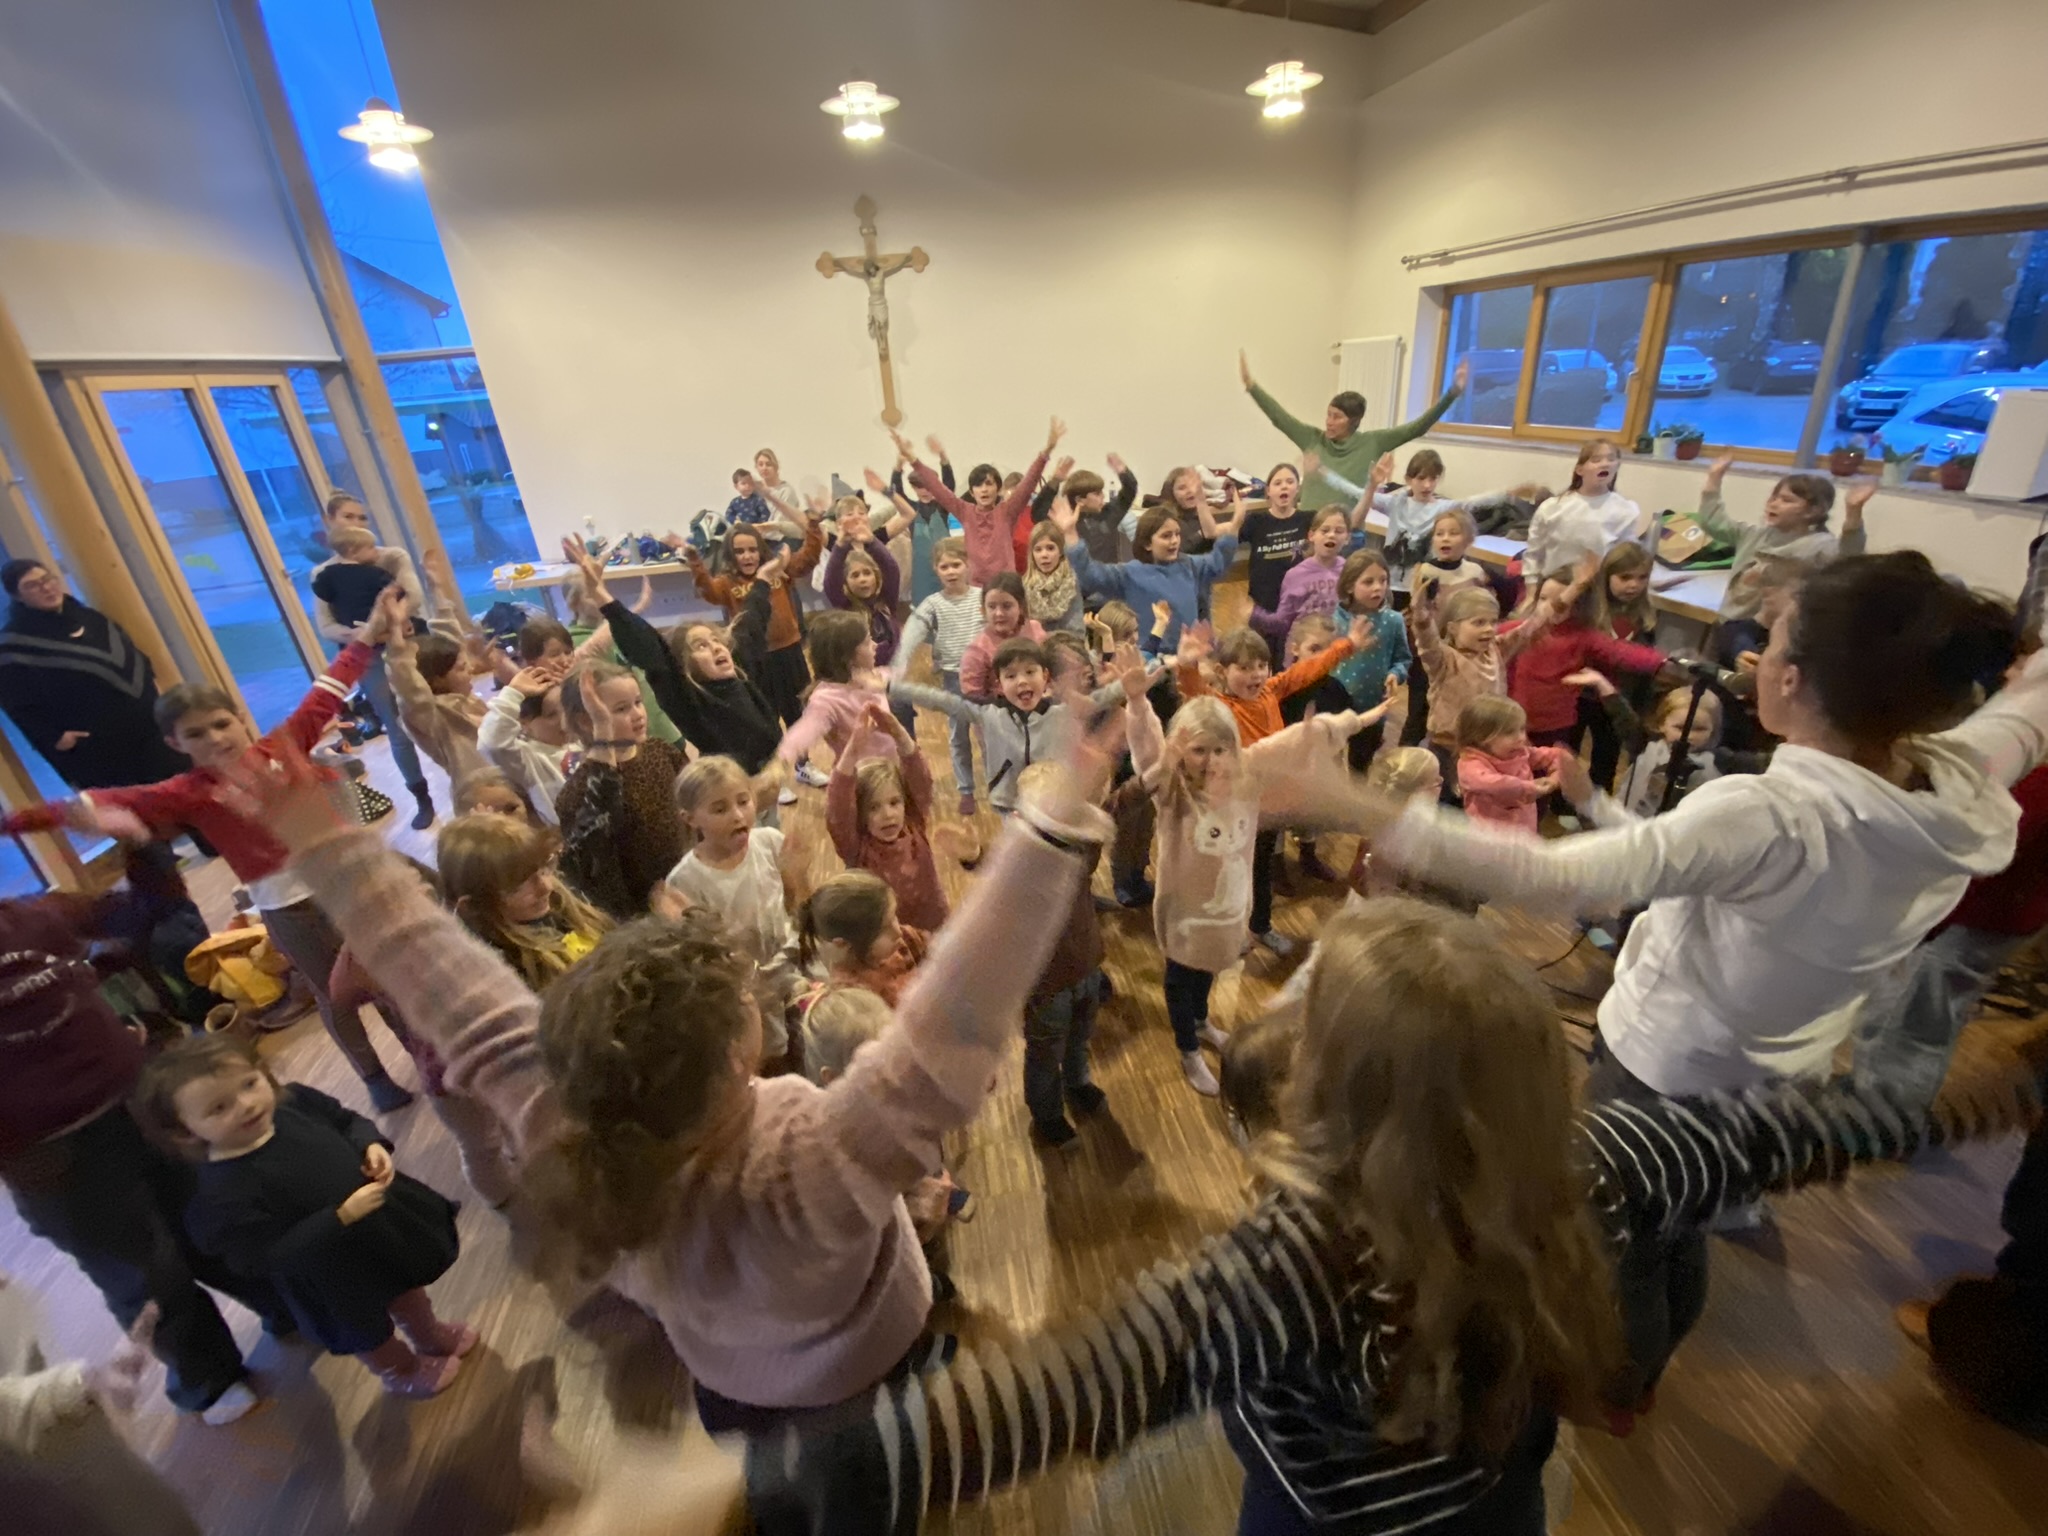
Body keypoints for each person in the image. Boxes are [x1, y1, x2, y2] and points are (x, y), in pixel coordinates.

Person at [736, 899, 2023, 1536]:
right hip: (1492, 1495)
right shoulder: (1616, 1149)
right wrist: (1993, 1095)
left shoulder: (1298, 1259)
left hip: (1320, 1517)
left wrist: (743, 1483)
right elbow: (1814, 1126)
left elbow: (1060, 1395)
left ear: (1342, 1091)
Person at [215, 719, 1117, 1519]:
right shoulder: (806, 1147)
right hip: (866, 1378)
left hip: (733, 1393)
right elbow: (953, 1023)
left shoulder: (572, 1132)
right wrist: (1049, 836)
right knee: (876, 1488)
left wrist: (331, 852)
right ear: (737, 1052)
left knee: (782, 1491)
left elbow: (453, 989)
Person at [1366, 550, 2045, 1399]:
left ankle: (1613, 1384)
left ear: (1793, 682)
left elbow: (1559, 878)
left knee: (1620, 1241)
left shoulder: (1769, 811)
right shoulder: (1958, 782)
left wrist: (1348, 803)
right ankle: (1638, 1369)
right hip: (1774, 1075)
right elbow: (2029, 712)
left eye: (1777, 638)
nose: (1756, 655)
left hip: (1663, 1069)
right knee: (1684, 1222)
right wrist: (1597, 802)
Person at [0, 622, 416, 1113]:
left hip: (346, 886)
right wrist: (16, 823)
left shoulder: (285, 745)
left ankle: (420, 1051)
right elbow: (80, 806)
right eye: (196, 734)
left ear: (241, 718)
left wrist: (366, 637)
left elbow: (330, 687)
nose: (215, 737)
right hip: (285, 906)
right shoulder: (186, 793)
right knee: (333, 993)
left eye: (221, 723)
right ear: (176, 744)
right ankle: (374, 1077)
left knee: (382, 973)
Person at [0, 841, 289, 1426]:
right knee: (147, 1273)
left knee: (215, 1217)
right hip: (54, 1160)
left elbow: (136, 911)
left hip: (142, 1105)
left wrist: (143, 845)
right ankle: (207, 1378)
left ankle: (285, 1304)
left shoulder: (26, 918)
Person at [131, 1035, 473, 1399]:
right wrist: (338, 1217)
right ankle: (401, 1370)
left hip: (376, 1236)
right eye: (218, 1108)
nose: (246, 1105)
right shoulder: (218, 1197)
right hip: (327, 1279)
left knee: (408, 1292)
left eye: (249, 1084)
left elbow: (345, 1121)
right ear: (185, 1131)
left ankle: (429, 1335)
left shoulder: (294, 1102)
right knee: (368, 1332)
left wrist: (370, 1144)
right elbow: (259, 1258)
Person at [1116, 643, 1357, 1095]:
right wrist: (1136, 703)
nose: (1210, 761)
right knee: (1181, 976)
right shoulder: (1171, 792)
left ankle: (1203, 1022)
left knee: (1207, 971)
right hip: (1184, 912)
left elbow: (1285, 744)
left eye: (1220, 750)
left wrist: (1344, 725)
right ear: (1180, 752)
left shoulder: (1246, 782)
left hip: (1225, 912)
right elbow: (1147, 754)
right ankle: (1187, 1045)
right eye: (1198, 751)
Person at [1175, 617, 1375, 956]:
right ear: (1223, 671)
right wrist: (1187, 662)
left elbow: (1307, 669)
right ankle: (1231, 927)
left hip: (1268, 804)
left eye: (1261, 665)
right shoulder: (1219, 705)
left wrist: (1348, 645)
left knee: (1261, 866)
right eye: (1244, 667)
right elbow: (1192, 687)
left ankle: (1260, 925)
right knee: (1231, 872)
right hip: (1235, 806)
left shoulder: (1272, 689)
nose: (1256, 674)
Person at [558, 540, 785, 809]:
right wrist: (603, 599)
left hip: (770, 782)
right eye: (700, 646)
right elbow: (653, 652)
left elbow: (752, 619)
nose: (715, 647)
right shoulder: (689, 697)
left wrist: (762, 579)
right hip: (732, 798)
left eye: (715, 640)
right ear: (686, 665)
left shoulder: (738, 669)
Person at [0, 558, 191, 792]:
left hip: (151, 731)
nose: (46, 588)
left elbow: (132, 658)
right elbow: (19, 703)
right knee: (137, 817)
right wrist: (56, 738)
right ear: (17, 596)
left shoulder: (91, 618)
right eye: (32, 585)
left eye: (48, 579)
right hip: (100, 750)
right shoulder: (14, 646)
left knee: (186, 796)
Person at [890, 636, 1136, 817]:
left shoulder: (1060, 711)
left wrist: (1142, 675)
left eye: (1030, 672)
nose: (1022, 681)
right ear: (999, 683)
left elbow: (1104, 697)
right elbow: (940, 700)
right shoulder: (989, 712)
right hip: (1008, 802)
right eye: (1011, 676)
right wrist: (893, 687)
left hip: (1051, 801)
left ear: (1045, 677)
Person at [665, 756, 807, 1064]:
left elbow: (790, 900)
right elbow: (702, 948)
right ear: (690, 819)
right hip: (747, 986)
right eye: (720, 809)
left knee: (806, 1036)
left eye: (744, 801)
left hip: (788, 965)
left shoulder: (769, 841)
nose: (738, 815)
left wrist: (797, 877)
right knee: (769, 1055)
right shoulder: (685, 879)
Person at [305, 494, 435, 821]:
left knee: (441, 708)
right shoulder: (323, 574)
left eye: (363, 518)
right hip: (369, 654)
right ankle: (421, 797)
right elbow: (327, 626)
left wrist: (392, 624)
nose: (358, 524)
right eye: (349, 517)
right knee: (396, 725)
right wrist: (367, 635)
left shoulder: (390, 556)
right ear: (331, 522)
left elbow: (414, 597)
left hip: (410, 641)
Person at [1693, 455, 1873, 664]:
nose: (1774, 504)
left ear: (1814, 511)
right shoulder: (1754, 534)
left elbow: (1849, 559)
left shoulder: (1818, 544)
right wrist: (1714, 479)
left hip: (1770, 634)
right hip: (1728, 622)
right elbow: (1713, 522)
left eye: (1787, 500)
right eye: (1774, 497)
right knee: (1712, 680)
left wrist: (1853, 514)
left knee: (1751, 676)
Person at [1239, 348, 1467, 511]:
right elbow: (1280, 417)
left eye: (1336, 417)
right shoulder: (1312, 438)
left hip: (1347, 528)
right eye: (1328, 414)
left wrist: (1452, 393)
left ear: (1354, 421)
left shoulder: (1372, 443)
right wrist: (1252, 387)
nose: (1328, 421)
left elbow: (1417, 428)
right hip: (1309, 524)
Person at [1015, 757, 1108, 1148]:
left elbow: (1103, 823)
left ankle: (1078, 1082)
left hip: (1087, 969)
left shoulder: (1079, 854)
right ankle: (1048, 1115)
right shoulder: (1022, 864)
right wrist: (972, 856)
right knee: (1043, 1055)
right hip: (1048, 986)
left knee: (1079, 1039)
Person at [553, 660, 690, 919]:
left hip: (685, 884)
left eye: (638, 702)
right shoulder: (579, 791)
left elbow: (694, 805)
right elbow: (594, 868)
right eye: (621, 709)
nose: (638, 714)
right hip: (638, 912)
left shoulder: (660, 751)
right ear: (586, 720)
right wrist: (603, 729)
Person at [683, 515, 824, 746]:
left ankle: (802, 763)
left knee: (797, 708)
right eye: (739, 551)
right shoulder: (727, 583)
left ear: (761, 550)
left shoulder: (778, 569)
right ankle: (774, 762)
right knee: (765, 712)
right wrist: (694, 562)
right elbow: (707, 590)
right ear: (731, 555)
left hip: (789, 652)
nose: (747, 556)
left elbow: (807, 559)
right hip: (755, 658)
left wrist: (813, 527)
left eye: (752, 549)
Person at [1325, 447, 1523, 605]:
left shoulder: (1443, 508)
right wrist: (1324, 473)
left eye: (1433, 478)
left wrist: (1507, 493)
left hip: (1421, 587)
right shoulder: (1395, 503)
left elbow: (1472, 502)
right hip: (1391, 585)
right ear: (1409, 479)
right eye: (1421, 478)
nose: (1427, 485)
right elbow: (1355, 492)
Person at [1410, 579, 1567, 777]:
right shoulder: (1444, 659)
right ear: (1452, 628)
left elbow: (1530, 629)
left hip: (1487, 748)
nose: (1489, 629)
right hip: (1448, 749)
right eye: (1478, 622)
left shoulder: (1496, 650)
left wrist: (1570, 592)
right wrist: (1422, 616)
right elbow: (1427, 642)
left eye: (1493, 622)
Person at [439, 812, 610, 992]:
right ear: (473, 906)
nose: (546, 887)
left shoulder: (564, 900)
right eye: (517, 887)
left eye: (544, 869)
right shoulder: (510, 977)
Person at [1057, 492, 1242, 658]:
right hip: (1151, 657)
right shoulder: (1130, 573)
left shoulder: (1190, 565)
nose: (1174, 541)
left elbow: (1217, 562)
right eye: (1166, 536)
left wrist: (1233, 529)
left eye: (1177, 534)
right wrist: (1071, 536)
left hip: (1190, 654)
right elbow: (1090, 574)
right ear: (1147, 543)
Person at [1507, 562, 1668, 752]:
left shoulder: (1584, 636)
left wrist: (1665, 662)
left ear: (1579, 605)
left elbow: (1621, 652)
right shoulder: (1524, 630)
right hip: (1513, 719)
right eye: (1543, 598)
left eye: (1563, 601)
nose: (1549, 606)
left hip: (1554, 726)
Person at [826, 699, 956, 932]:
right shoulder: (856, 848)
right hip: (886, 940)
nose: (888, 815)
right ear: (860, 814)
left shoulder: (913, 825)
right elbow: (837, 807)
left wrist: (898, 733)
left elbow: (920, 778)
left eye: (894, 803)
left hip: (934, 928)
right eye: (874, 808)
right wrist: (852, 750)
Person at [896, 421, 1058, 586]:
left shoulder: (1007, 510)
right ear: (972, 492)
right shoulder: (965, 511)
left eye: (989, 484)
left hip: (1006, 585)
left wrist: (1047, 451)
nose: (984, 490)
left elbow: (1028, 484)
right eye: (978, 485)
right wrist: (912, 459)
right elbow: (937, 488)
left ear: (998, 489)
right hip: (975, 588)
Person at [891, 536, 985, 816]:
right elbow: (913, 632)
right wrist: (900, 663)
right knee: (958, 736)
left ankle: (998, 781)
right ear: (936, 569)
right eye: (945, 567)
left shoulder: (982, 597)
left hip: (983, 679)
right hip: (953, 678)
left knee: (989, 734)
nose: (951, 571)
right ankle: (966, 790)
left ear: (967, 565)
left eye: (956, 564)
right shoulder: (932, 604)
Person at [775, 610, 898, 780]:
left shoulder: (874, 676)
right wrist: (777, 765)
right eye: (867, 642)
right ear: (848, 656)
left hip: (890, 772)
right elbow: (803, 732)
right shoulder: (827, 698)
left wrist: (883, 684)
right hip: (861, 781)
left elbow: (896, 678)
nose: (875, 645)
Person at [1322, 548, 1411, 770]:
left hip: (1372, 706)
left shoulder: (1393, 620)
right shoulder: (1334, 618)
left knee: (1361, 765)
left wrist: (1395, 674)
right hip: (1335, 704)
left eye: (1383, 580)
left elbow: (1403, 659)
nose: (1378, 587)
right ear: (1350, 586)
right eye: (1368, 582)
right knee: (1330, 761)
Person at [794, 871, 927, 1010]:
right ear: (843, 944)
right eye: (885, 928)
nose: (898, 931)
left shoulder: (901, 940)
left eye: (894, 916)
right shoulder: (854, 1001)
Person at [1522, 439, 1651, 576]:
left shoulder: (1626, 510)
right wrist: (1532, 590)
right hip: (1553, 585)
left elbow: (1625, 559)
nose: (1605, 464)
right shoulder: (1552, 507)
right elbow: (1534, 554)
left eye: (1611, 459)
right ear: (1580, 470)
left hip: (1598, 590)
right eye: (1596, 460)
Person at [1454, 696, 1569, 834]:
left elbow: (1557, 755)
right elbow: (1494, 784)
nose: (1521, 738)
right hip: (1490, 840)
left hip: (1525, 832)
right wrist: (1531, 787)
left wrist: (1554, 779)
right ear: (1481, 737)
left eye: (1522, 729)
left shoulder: (1520, 753)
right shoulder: (1470, 764)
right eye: (1510, 733)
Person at [479, 656, 573, 823]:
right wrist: (513, 693)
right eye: (551, 715)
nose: (564, 720)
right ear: (525, 722)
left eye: (566, 708)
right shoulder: (527, 759)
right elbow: (491, 743)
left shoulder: (582, 739)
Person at [1236, 461, 1311, 649]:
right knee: (1261, 656)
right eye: (1277, 483)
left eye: (1289, 481)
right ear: (1268, 491)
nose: (1284, 486)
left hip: (1298, 605)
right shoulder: (1256, 521)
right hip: (1263, 603)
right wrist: (1236, 516)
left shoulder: (1308, 519)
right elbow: (1225, 539)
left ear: (1297, 489)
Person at [874, 441, 957, 606]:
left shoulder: (943, 506)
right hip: (921, 569)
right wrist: (898, 464)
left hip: (946, 565)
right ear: (913, 488)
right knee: (923, 609)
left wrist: (943, 457)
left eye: (928, 487)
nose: (924, 491)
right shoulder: (911, 509)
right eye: (919, 487)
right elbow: (896, 491)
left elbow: (949, 485)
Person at [957, 573, 1044, 701]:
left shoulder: (1036, 630)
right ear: (983, 610)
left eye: (1006, 606)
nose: (999, 613)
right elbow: (973, 701)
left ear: (1021, 607)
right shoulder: (977, 650)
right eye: (992, 607)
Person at [1269, 505, 1354, 635]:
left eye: (1339, 531)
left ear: (1347, 538)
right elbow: (1284, 619)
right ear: (1311, 535)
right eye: (1325, 530)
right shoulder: (1295, 575)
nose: (1331, 535)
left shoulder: (1349, 570)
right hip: (1306, 646)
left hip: (1339, 644)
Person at [1021, 524, 1083, 634]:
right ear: (1032, 554)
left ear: (1060, 551)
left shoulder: (1072, 582)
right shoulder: (1024, 586)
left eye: (1050, 548)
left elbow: (1076, 630)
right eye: (1038, 550)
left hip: (1068, 645)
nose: (1044, 555)